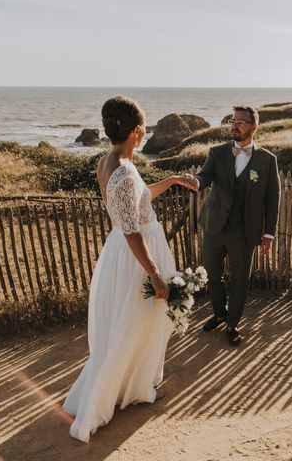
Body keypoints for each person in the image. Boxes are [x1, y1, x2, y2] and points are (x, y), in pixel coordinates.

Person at [62, 96, 196, 443]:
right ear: (136, 131)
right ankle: (116, 393)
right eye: (145, 127)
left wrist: (171, 181)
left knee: (135, 321)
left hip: (128, 251)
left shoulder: (111, 162)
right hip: (136, 256)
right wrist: (153, 272)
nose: (147, 132)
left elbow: (139, 199)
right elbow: (131, 229)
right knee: (133, 322)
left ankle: (135, 383)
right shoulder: (121, 170)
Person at [186, 105, 280, 346]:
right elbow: (205, 176)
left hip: (244, 232)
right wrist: (196, 181)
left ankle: (232, 323)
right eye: (233, 121)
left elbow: (272, 199)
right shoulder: (217, 153)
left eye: (241, 122)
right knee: (212, 275)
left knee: (240, 281)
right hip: (215, 226)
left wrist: (268, 234)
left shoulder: (268, 160)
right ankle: (219, 313)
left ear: (254, 127)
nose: (234, 125)